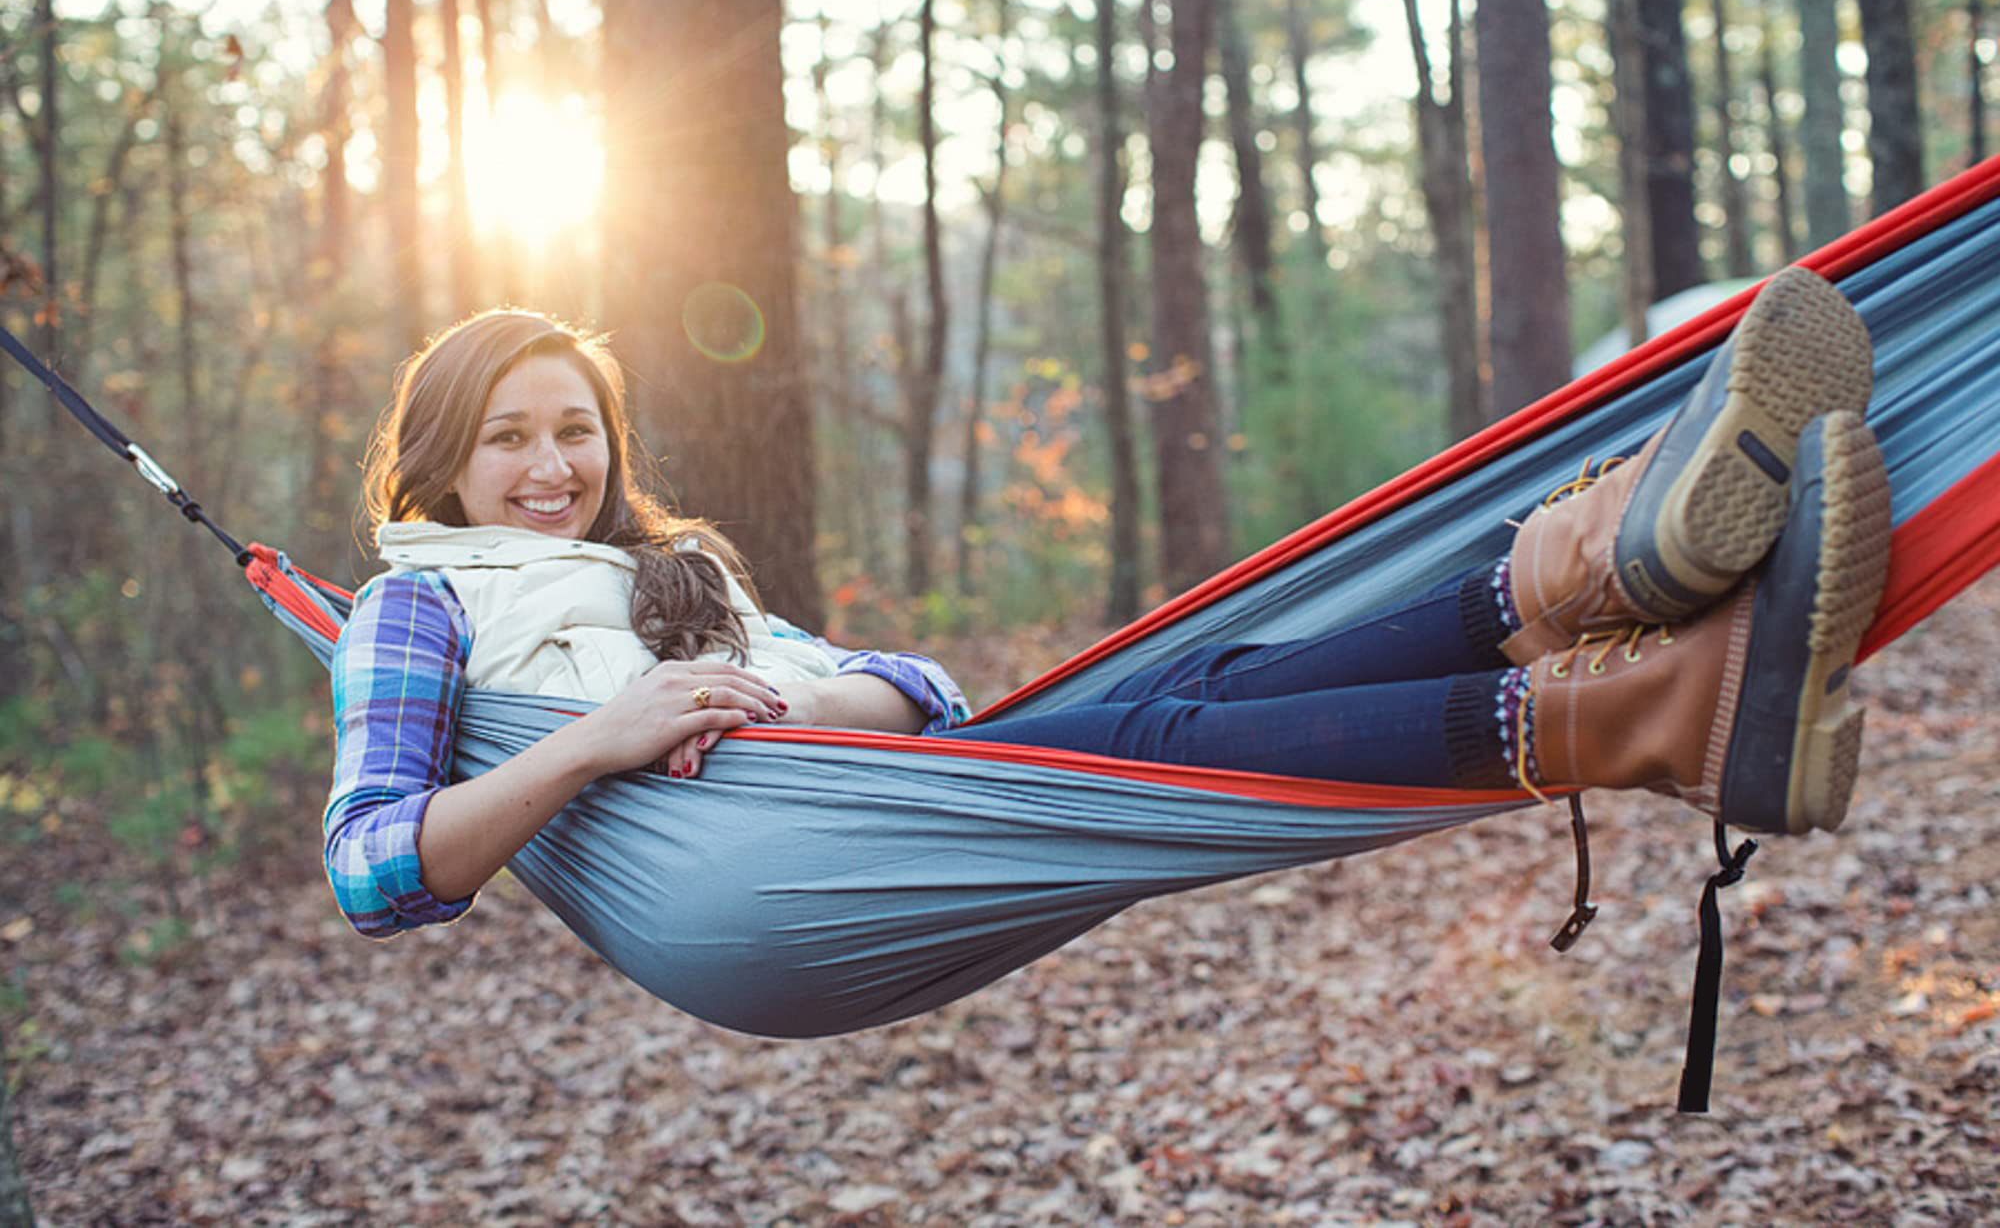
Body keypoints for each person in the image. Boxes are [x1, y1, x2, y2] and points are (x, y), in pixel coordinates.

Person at [324, 267, 1892, 938]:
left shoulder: (670, 569)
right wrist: (597, 741)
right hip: (794, 874)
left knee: (1195, 684)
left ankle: (1612, 587)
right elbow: (374, 872)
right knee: (1164, 722)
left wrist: (798, 696)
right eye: (509, 437)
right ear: (443, 461)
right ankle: (1638, 671)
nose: (551, 465)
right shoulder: (419, 611)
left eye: (574, 427)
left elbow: (918, 684)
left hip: (887, 782)